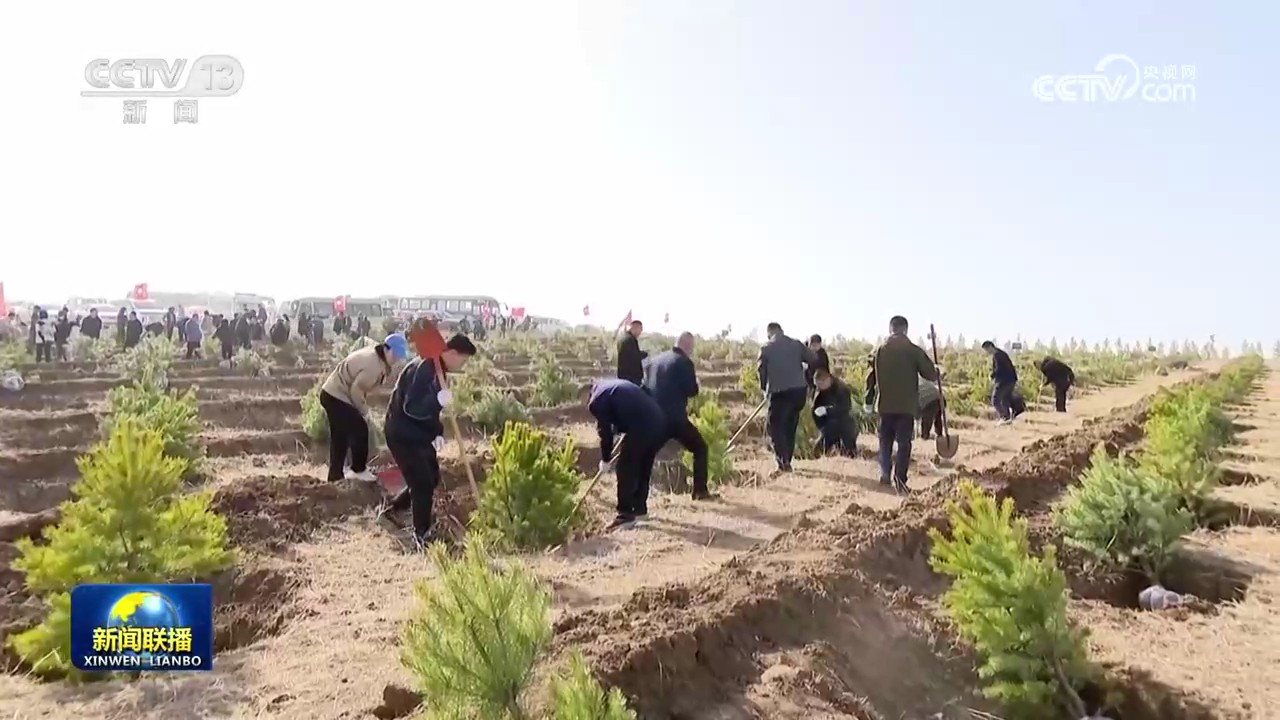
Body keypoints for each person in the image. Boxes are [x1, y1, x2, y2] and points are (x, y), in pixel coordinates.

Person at [380, 334, 477, 548]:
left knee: (431, 478)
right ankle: (421, 535)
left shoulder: (439, 370)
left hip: (419, 434)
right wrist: (436, 400)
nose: (462, 365)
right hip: (402, 433)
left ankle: (394, 511)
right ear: (453, 353)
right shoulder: (424, 368)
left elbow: (431, 414)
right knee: (422, 482)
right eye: (463, 360)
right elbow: (412, 407)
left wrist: (437, 432)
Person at [322, 334, 408, 484]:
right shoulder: (373, 365)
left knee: (340, 437)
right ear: (386, 349)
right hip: (336, 396)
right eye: (395, 354)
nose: (396, 359)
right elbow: (356, 390)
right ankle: (358, 470)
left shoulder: (378, 358)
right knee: (360, 429)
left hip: (331, 394)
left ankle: (335, 476)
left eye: (399, 356)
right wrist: (365, 412)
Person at [584, 377, 668, 528]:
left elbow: (605, 432)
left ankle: (625, 514)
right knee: (643, 465)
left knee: (624, 467)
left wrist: (605, 459)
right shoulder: (611, 387)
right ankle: (639, 509)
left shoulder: (596, 399)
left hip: (641, 425)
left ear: (588, 394)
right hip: (658, 420)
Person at [868, 316, 938, 493]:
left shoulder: (880, 350)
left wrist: (869, 401)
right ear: (905, 330)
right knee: (904, 444)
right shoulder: (913, 350)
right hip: (906, 406)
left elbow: (872, 376)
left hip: (885, 404)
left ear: (890, 329)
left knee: (885, 442)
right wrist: (936, 370)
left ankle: (885, 473)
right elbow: (930, 374)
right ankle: (900, 479)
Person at [645, 332, 712, 501]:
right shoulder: (684, 362)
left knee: (646, 455)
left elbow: (645, 387)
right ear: (687, 345)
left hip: (654, 417)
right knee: (700, 448)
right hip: (675, 419)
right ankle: (700, 492)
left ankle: (639, 496)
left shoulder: (654, 361)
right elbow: (691, 391)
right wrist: (697, 384)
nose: (692, 350)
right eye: (692, 346)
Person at [758, 322, 817, 474]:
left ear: (769, 333)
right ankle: (787, 461)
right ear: (781, 331)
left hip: (779, 393)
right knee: (790, 426)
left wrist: (764, 388)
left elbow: (761, 371)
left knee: (775, 427)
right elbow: (813, 358)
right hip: (799, 392)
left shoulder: (766, 348)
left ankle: (783, 463)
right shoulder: (796, 344)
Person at [811, 368, 856, 456]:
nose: (818, 388)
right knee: (818, 450)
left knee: (848, 451)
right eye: (816, 385)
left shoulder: (841, 389)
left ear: (827, 380)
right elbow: (815, 408)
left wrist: (827, 410)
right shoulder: (819, 391)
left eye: (819, 385)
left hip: (843, 424)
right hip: (827, 425)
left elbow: (845, 408)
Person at [982, 341, 1018, 424]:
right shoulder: (1001, 354)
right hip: (1011, 380)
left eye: (986, 350)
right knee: (1005, 400)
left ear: (990, 347)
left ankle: (1004, 417)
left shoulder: (998, 356)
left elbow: (999, 369)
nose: (987, 352)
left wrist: (992, 376)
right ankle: (1007, 419)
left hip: (1004, 381)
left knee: (995, 400)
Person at [616, 320, 647, 385]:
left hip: (623, 376)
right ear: (635, 328)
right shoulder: (630, 339)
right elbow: (634, 356)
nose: (640, 332)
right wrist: (644, 354)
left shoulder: (623, 338)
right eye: (640, 329)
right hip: (631, 377)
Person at [918, 375, 944, 440]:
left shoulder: (916, 385)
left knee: (927, 418)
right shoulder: (923, 381)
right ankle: (939, 434)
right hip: (940, 398)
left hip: (929, 401)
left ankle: (925, 435)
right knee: (938, 417)